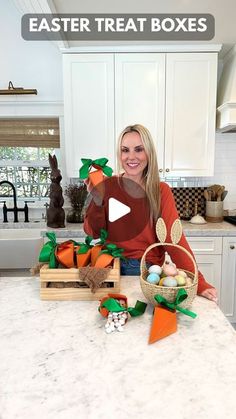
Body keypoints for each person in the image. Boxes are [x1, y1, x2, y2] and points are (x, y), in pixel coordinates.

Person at [84, 124, 217, 302]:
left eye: (139, 149)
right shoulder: (108, 186)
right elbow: (92, 232)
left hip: (144, 269)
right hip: (107, 266)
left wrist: (198, 281)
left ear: (149, 153)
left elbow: (172, 238)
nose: (131, 157)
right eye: (125, 150)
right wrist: (96, 199)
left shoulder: (160, 190)